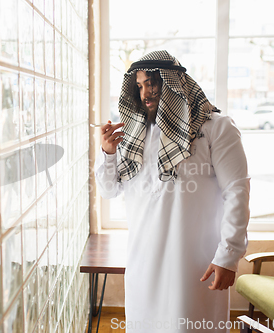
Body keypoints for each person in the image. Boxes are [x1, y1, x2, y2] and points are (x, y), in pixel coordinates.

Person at [94, 50, 250, 332]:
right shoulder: (132, 135)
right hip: (143, 264)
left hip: (195, 266)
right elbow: (108, 191)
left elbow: (237, 192)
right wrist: (107, 152)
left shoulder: (216, 128)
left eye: (152, 84)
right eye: (139, 86)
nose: (145, 94)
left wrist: (228, 255)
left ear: (174, 84)